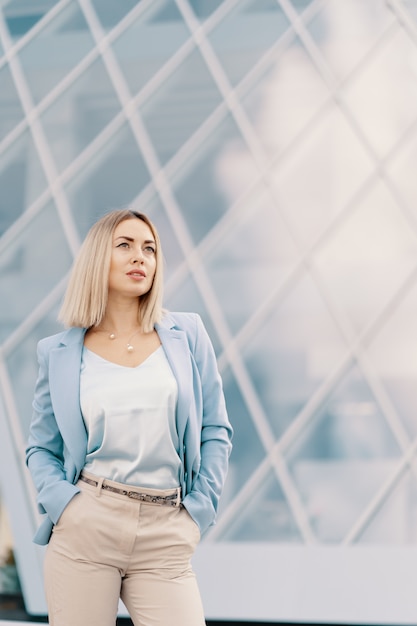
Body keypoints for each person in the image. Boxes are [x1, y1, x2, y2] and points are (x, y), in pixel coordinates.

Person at [26, 209, 233, 626]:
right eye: (125, 245)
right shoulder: (59, 352)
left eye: (150, 248)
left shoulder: (187, 334)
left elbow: (215, 430)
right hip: (87, 525)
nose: (141, 257)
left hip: (166, 530)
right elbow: (40, 448)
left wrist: (198, 512)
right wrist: (67, 507)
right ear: (98, 258)